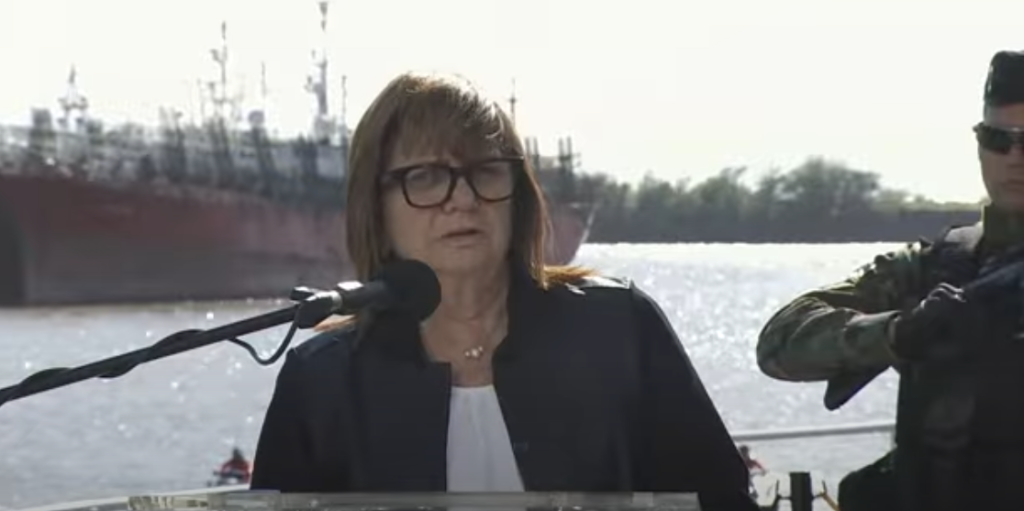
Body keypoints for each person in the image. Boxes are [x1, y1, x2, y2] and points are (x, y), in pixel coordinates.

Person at [249, 71, 756, 510]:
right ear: (375, 207)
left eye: (485, 171)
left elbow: (722, 500)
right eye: (426, 177)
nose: (463, 199)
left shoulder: (620, 327)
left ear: (518, 196)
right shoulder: (322, 382)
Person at [755, 50, 1024, 511]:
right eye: (998, 139)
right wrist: (899, 332)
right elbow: (780, 343)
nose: (1015, 157)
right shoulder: (934, 266)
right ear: (979, 145)